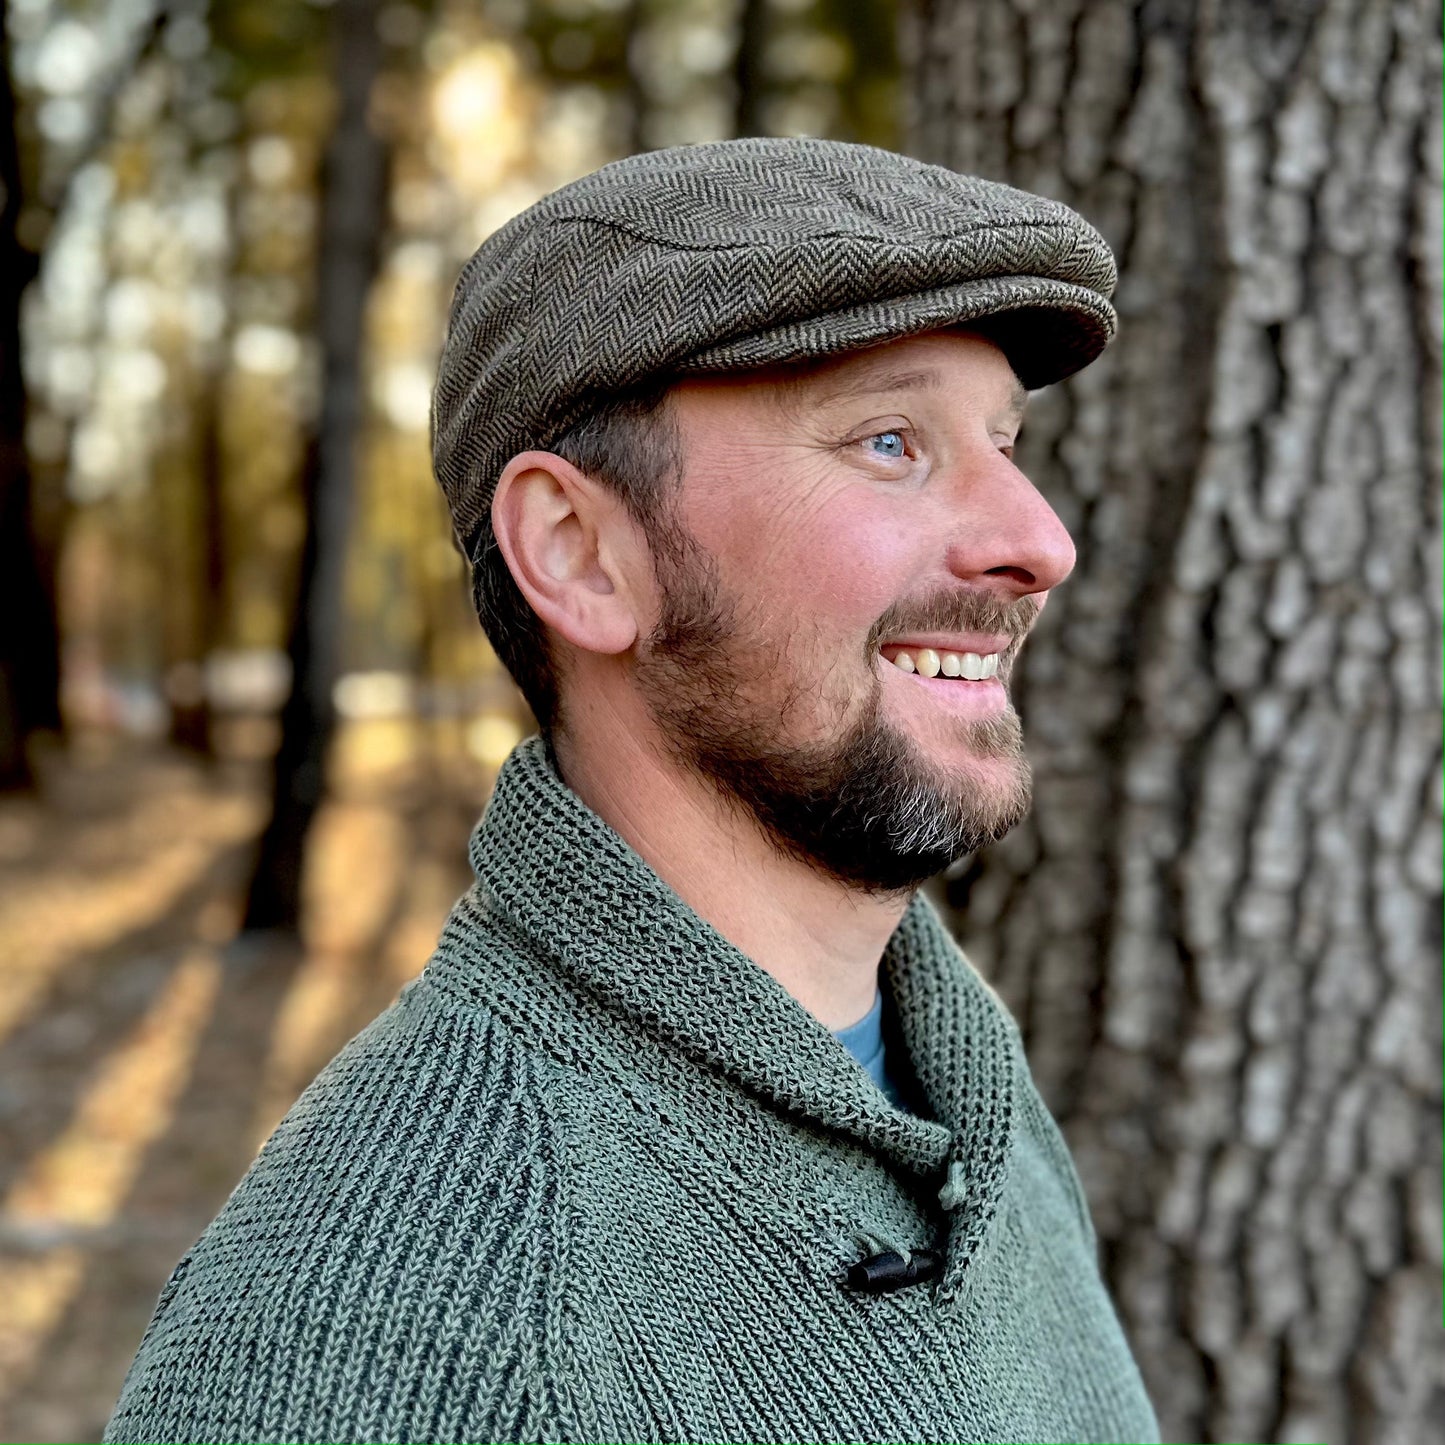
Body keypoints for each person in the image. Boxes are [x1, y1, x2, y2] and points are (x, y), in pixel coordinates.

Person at [106, 138, 1159, 1445]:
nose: (1039, 540)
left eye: (1004, 443)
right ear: (579, 552)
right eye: (890, 441)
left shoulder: (953, 1089)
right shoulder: (386, 1319)